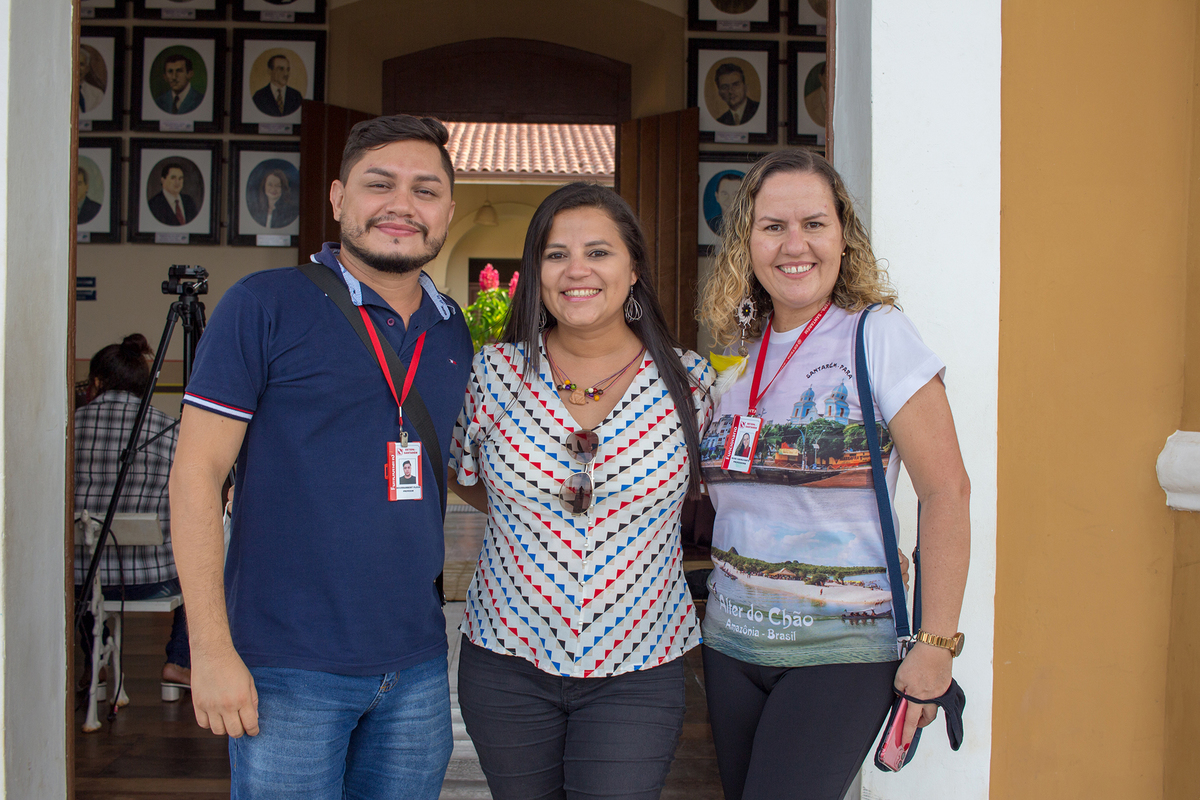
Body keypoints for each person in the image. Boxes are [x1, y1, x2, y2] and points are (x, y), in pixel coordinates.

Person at [168, 114, 473, 798]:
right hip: (287, 665)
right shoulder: (264, 305)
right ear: (338, 199)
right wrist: (210, 651)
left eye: (426, 190)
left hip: (418, 663)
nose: (402, 204)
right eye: (379, 184)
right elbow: (195, 478)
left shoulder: (452, 330)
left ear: (448, 211)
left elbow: (452, 469)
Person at [696, 149, 970, 800]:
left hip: (839, 653)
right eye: (773, 227)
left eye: (814, 224)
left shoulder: (877, 335)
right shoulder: (737, 352)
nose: (796, 245)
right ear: (747, 244)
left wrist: (935, 646)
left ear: (843, 237)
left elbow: (946, 491)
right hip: (732, 648)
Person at [448, 182, 714, 800]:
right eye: (555, 253)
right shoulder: (494, 372)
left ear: (633, 269)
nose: (576, 271)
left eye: (598, 252)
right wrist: (539, 516)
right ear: (535, 271)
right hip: (506, 654)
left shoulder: (690, 382)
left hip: (640, 658)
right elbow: (470, 481)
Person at [75, 334, 190, 692]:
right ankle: (178, 663)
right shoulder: (169, 431)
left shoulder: (67, 428)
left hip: (82, 577)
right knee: (208, 563)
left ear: (96, 382)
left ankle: (97, 656)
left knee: (78, 574)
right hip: (153, 578)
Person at [78, 45, 105, 113]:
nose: (78, 69)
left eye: (81, 64)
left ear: (87, 69)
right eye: (75, 64)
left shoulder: (97, 94)